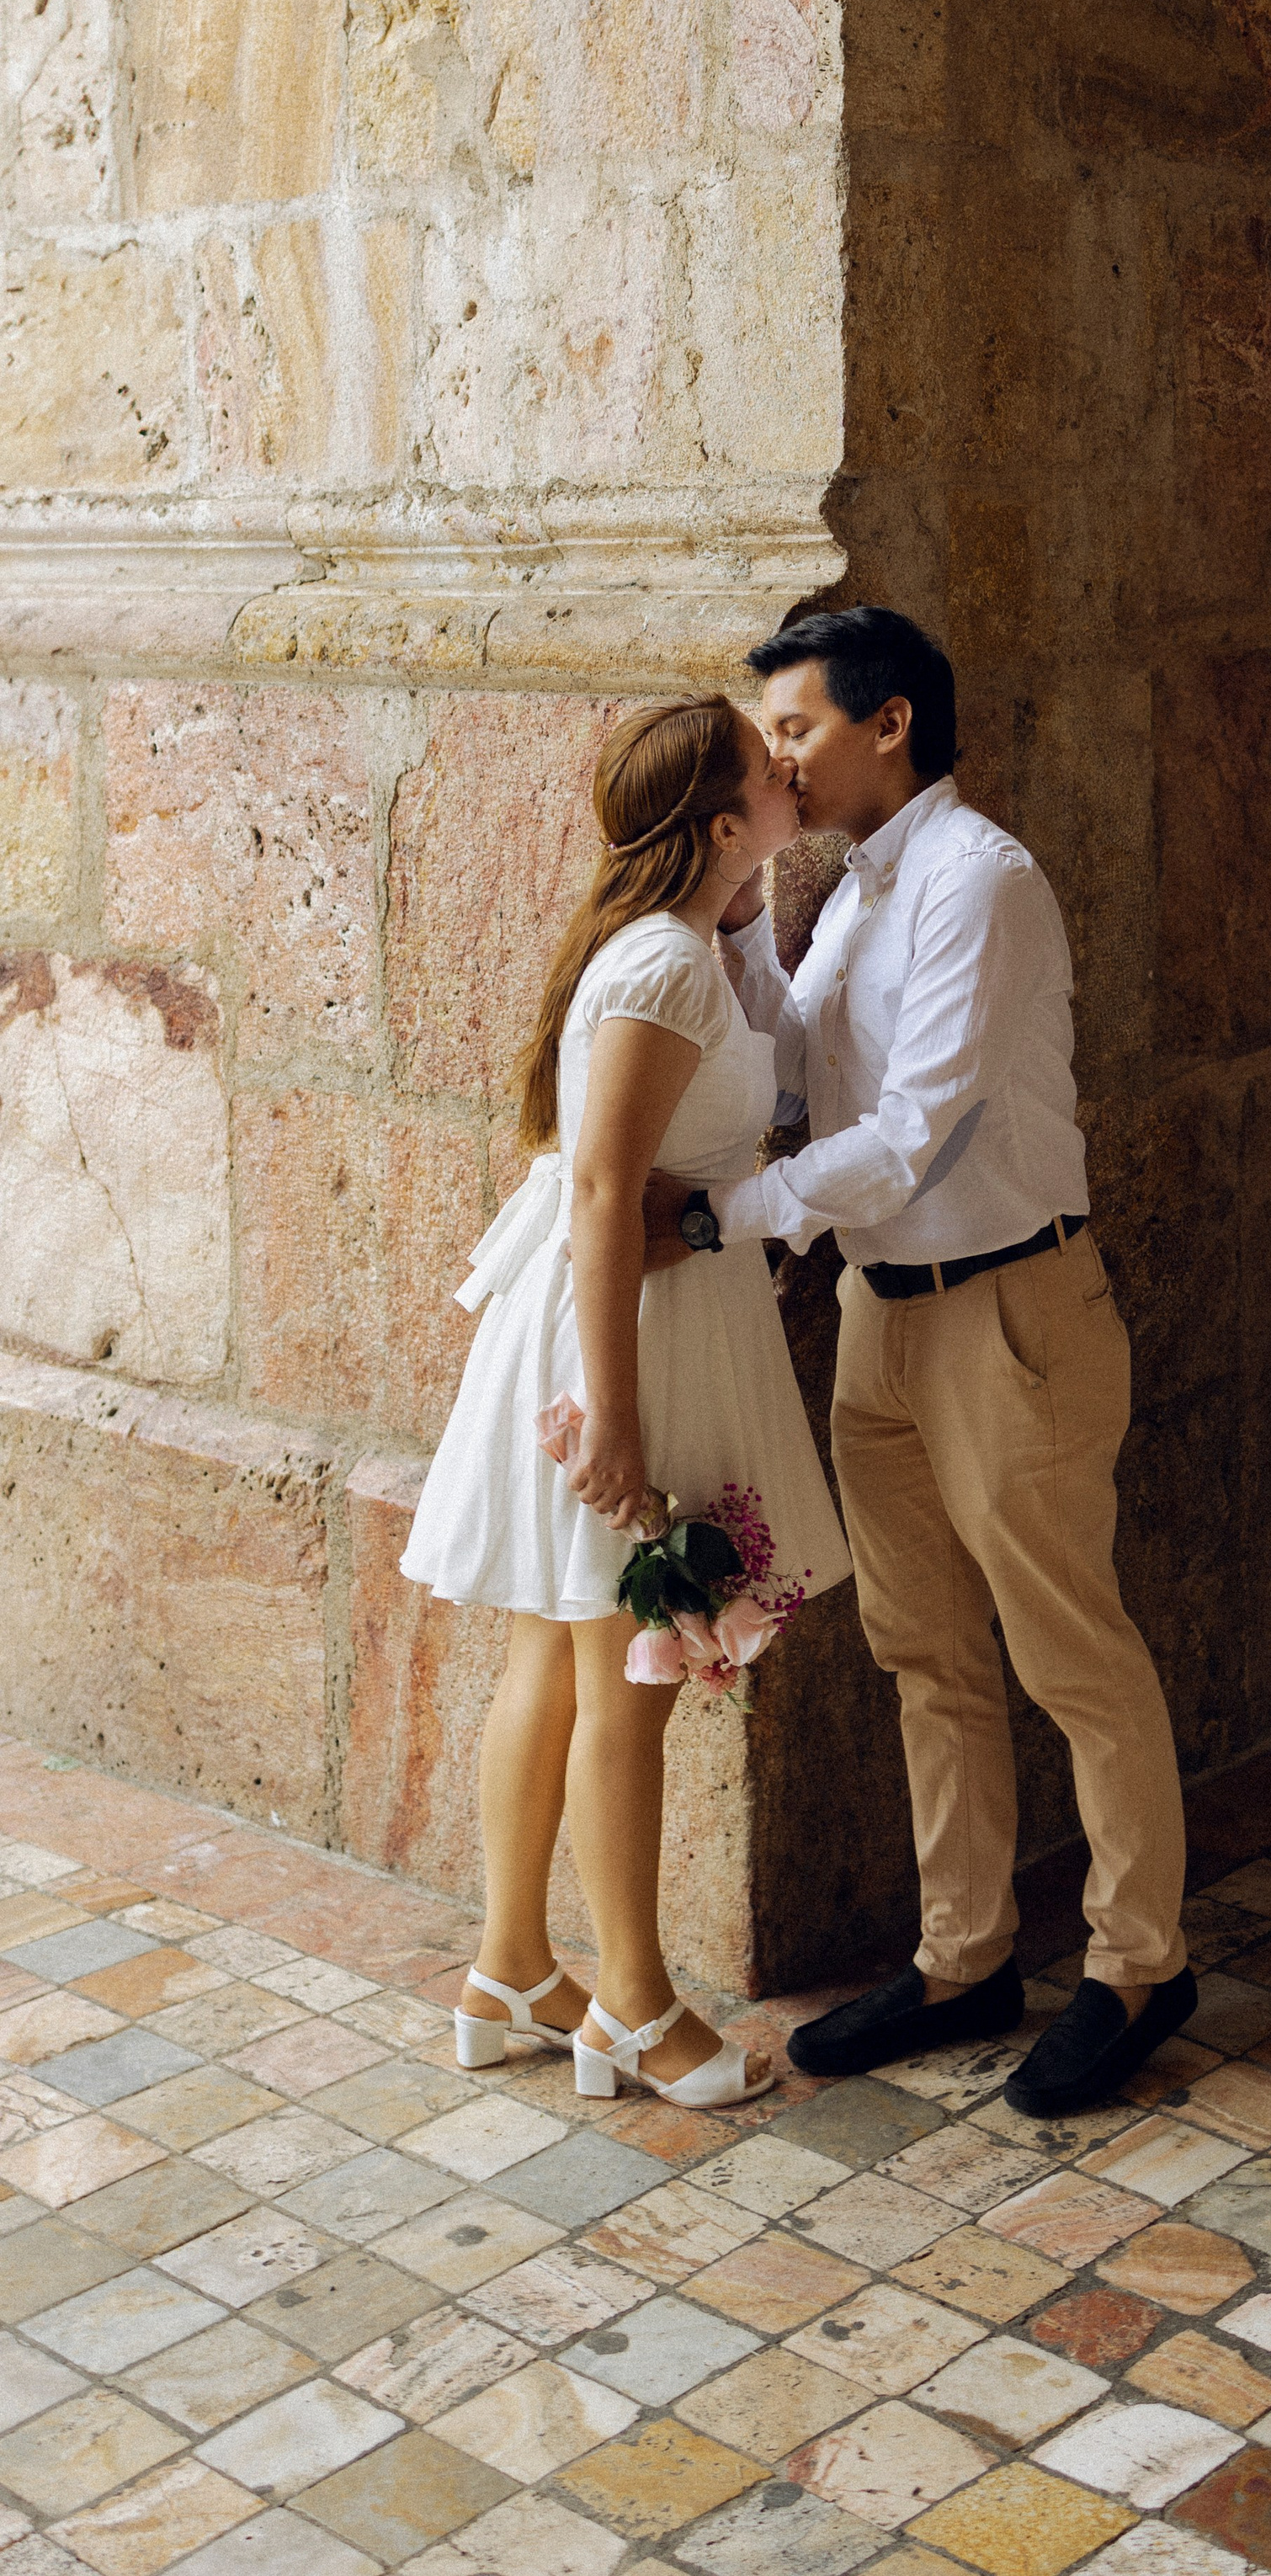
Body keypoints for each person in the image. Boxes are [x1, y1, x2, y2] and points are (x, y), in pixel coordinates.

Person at [643, 607, 1194, 2115]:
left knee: (1070, 1649)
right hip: (885, 1318)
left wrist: (707, 1222)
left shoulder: (979, 883)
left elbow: (908, 1138)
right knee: (921, 1648)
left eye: (799, 728)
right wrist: (746, 908)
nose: (779, 757)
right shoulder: (858, 891)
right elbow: (794, 1073)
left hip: (1011, 1311)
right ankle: (965, 1960)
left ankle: (1140, 1963)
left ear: (891, 725)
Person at [402, 697, 849, 2109]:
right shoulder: (663, 960)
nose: (789, 770)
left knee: (557, 1649)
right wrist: (618, 1419)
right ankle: (636, 2011)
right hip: (622, 1335)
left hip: (638, 1309)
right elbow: (601, 1191)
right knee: (626, 1681)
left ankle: (514, 1968)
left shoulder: (699, 943)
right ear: (727, 828)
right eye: (763, 769)